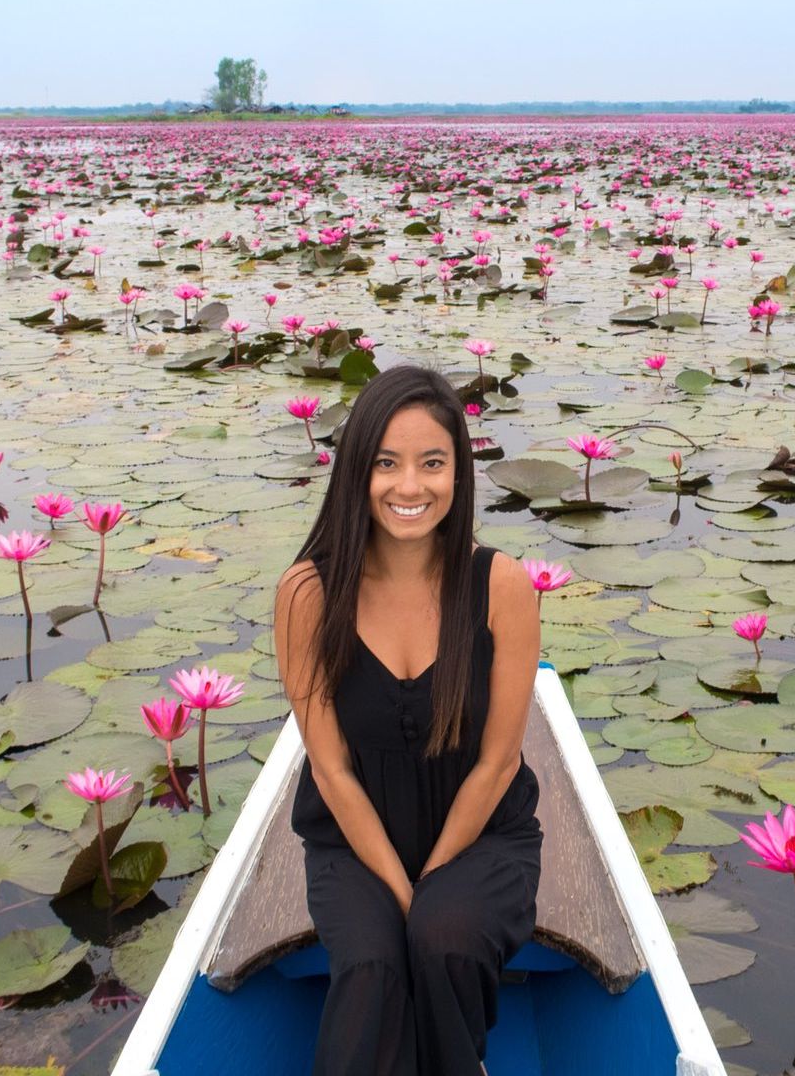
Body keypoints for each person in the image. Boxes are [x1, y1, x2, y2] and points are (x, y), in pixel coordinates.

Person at [275, 364, 543, 1076]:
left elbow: (500, 762)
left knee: (445, 937)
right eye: (387, 464)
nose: (410, 487)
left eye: (433, 463)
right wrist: (399, 893)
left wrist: (430, 892)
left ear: (459, 473)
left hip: (481, 831)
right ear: (358, 470)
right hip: (355, 838)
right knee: (368, 967)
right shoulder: (309, 592)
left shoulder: (501, 586)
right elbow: (329, 769)